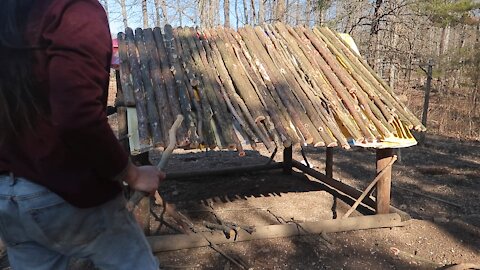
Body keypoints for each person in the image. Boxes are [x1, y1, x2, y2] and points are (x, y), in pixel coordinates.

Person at [0, 0, 165, 269]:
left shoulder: (10, 12)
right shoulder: (75, 10)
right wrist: (132, 175)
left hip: (8, 197)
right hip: (64, 190)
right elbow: (77, 117)